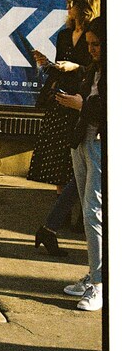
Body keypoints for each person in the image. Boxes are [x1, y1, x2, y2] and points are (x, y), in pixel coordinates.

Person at [28, 0, 100, 255]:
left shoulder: (97, 34)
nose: (67, 9)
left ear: (84, 6)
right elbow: (66, 67)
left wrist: (76, 68)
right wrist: (49, 64)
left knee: (82, 171)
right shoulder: (64, 35)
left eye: (71, 4)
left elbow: (95, 70)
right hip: (66, 101)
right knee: (66, 163)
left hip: (84, 102)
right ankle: (60, 224)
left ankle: (59, 225)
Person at [55, 16, 104, 312]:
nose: (93, 50)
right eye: (89, 45)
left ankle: (99, 284)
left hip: (100, 140)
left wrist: (81, 104)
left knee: (94, 212)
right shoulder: (95, 68)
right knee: (89, 212)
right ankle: (94, 275)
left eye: (97, 45)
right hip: (84, 138)